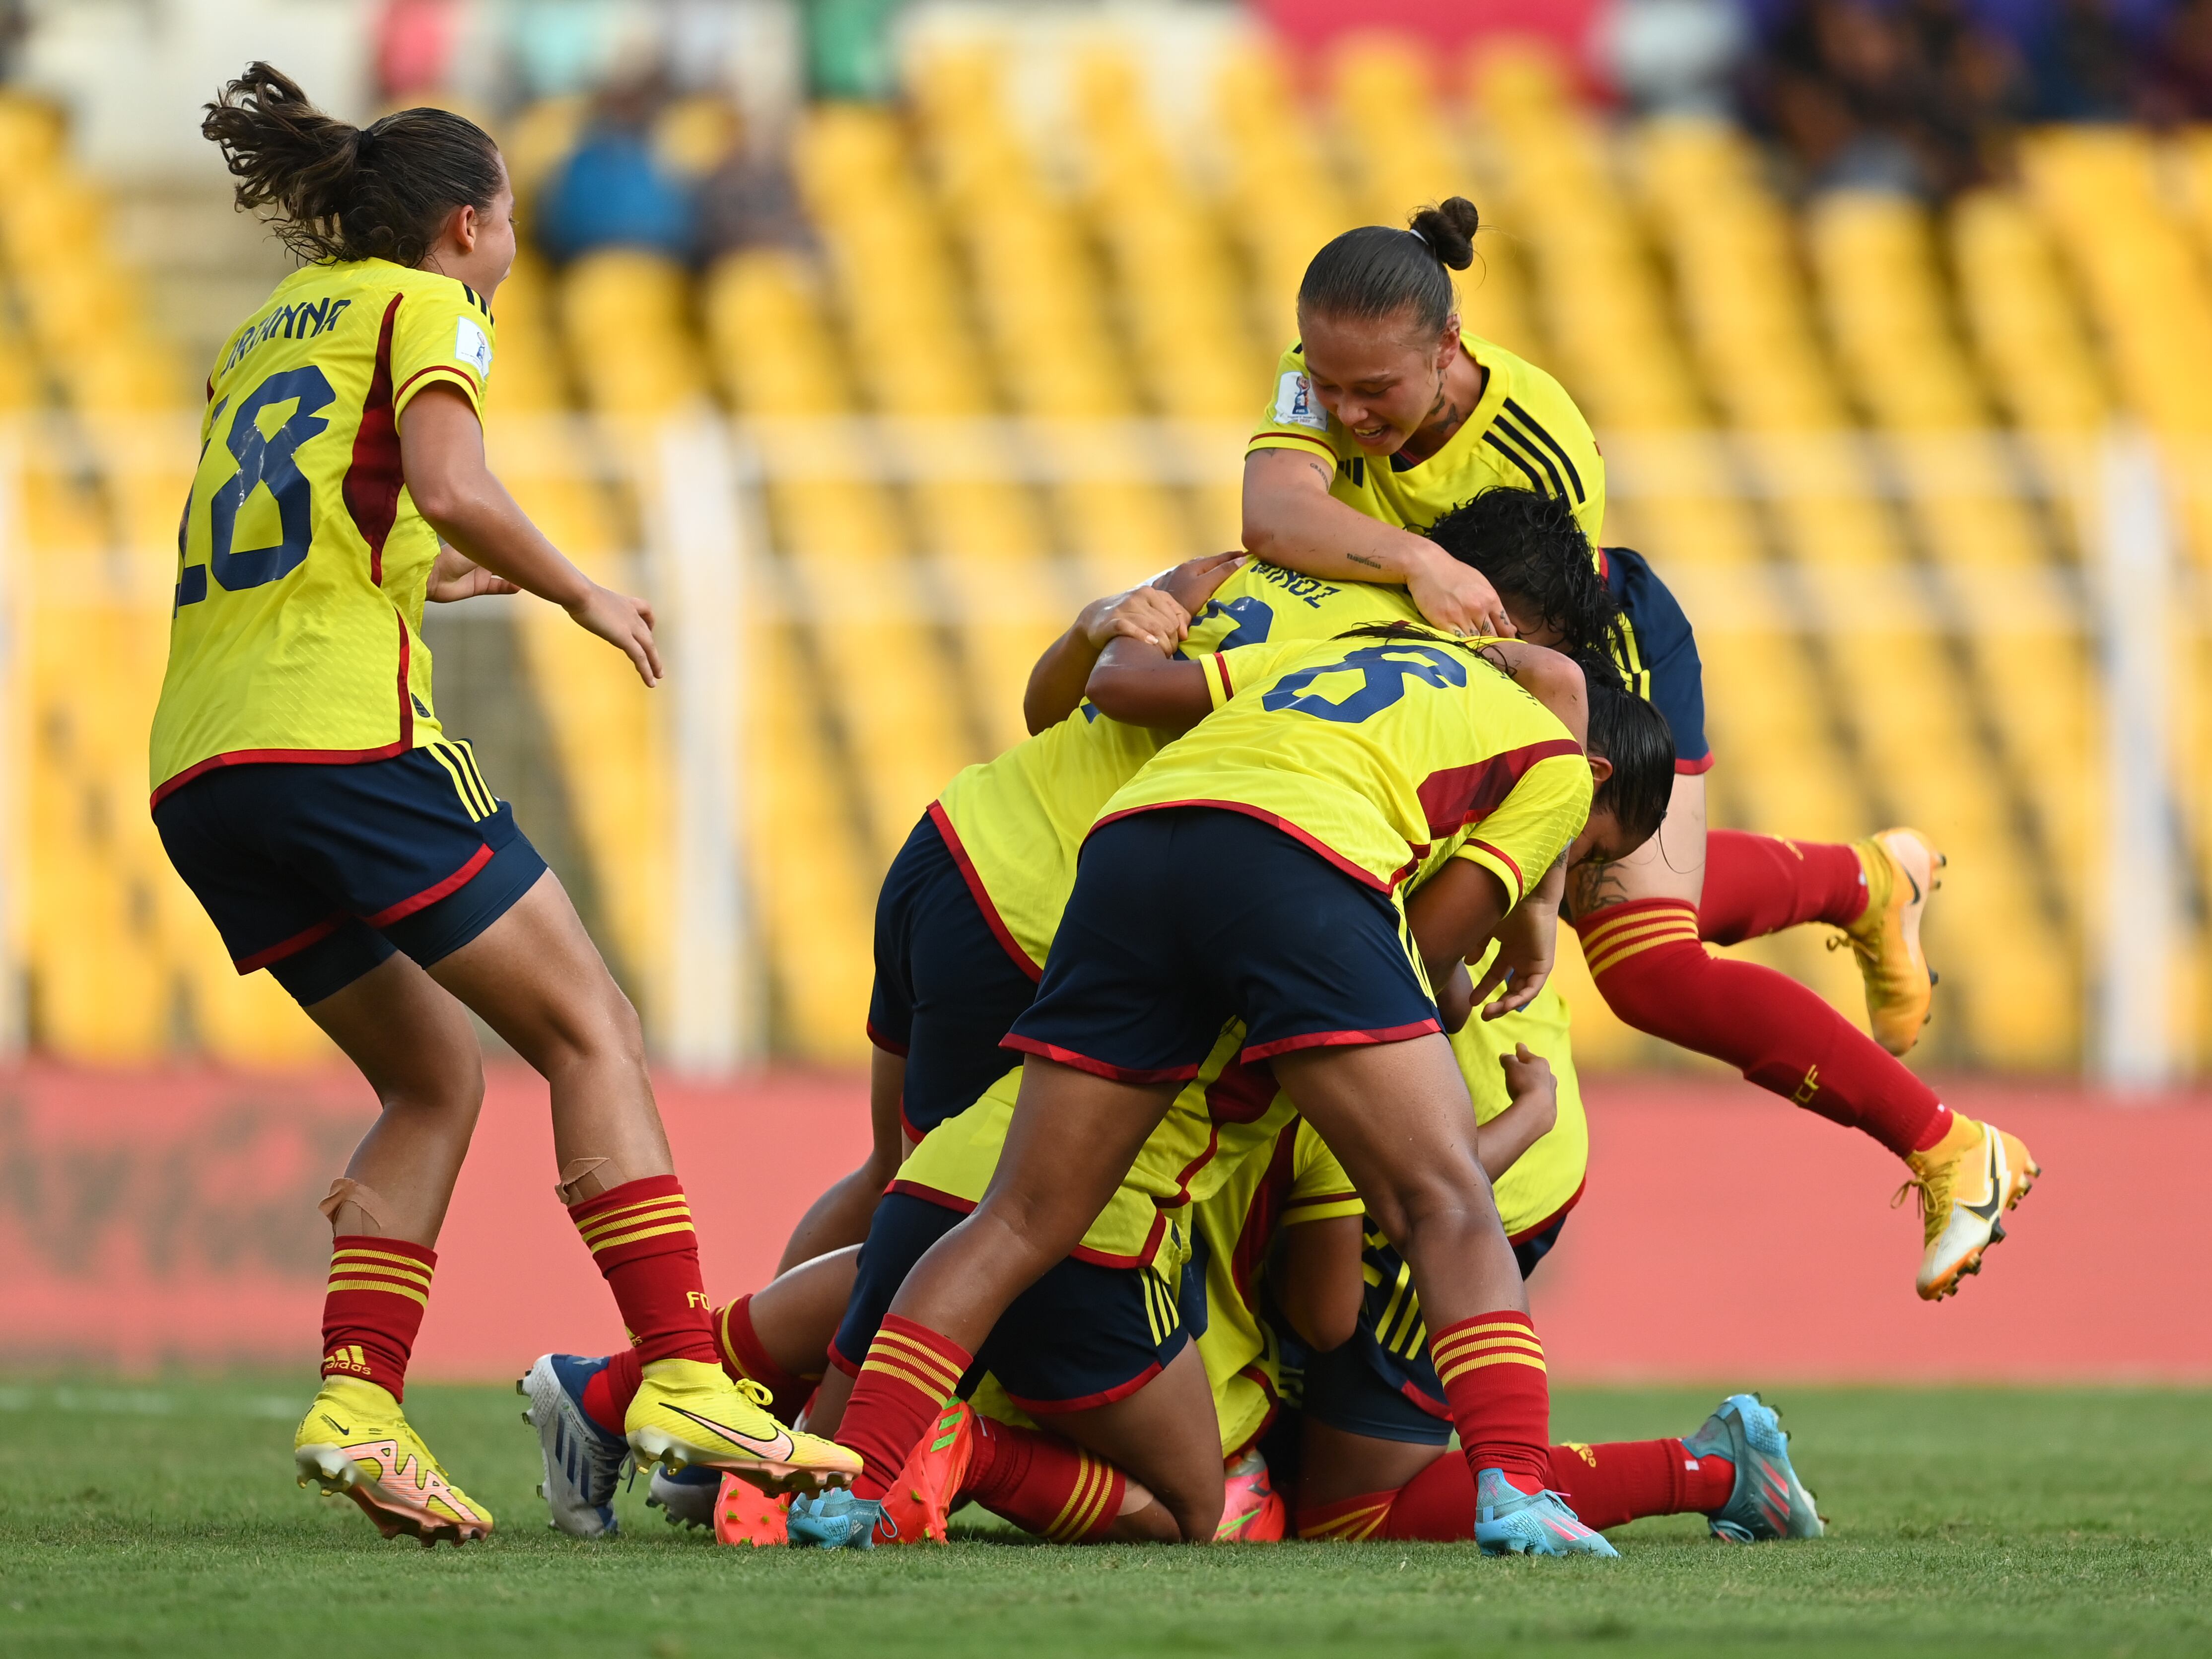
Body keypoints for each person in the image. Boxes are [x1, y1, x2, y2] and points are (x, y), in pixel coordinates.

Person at [157, 64, 856, 1547]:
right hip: (342, 742)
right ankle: (678, 1368)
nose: (515, 250)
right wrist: (582, 588)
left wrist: (440, 572)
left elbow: (327, 528)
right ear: (467, 225)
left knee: (434, 1078)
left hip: (203, 770)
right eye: (514, 222)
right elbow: (457, 482)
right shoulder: (431, 308)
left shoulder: (263, 332)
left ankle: (356, 1401)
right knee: (590, 1022)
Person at [1238, 200, 2036, 1300]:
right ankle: (1863, 880)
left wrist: (1532, 879)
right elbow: (1273, 513)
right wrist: (1415, 561)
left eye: (1372, 391)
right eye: (1326, 387)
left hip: (1592, 658)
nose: (1343, 410)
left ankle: (1948, 1144)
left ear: (1448, 346)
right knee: (1619, 905)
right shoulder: (1321, 372)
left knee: (1642, 964)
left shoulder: (1533, 438)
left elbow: (1543, 655)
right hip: (1457, 651)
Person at [787, 622, 1661, 1557]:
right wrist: (1518, 929)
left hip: (1136, 836)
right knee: (1443, 1198)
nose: (1569, 879)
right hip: (1300, 859)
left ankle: (852, 1490)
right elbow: (1433, 943)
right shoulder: (1558, 773)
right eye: (1587, 854)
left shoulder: (1354, 642)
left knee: (1017, 1216)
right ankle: (1520, 1488)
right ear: (1597, 776)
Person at [1291, 1049, 1823, 1545]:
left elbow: (1443, 981)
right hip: (1470, 1141)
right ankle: (1712, 1469)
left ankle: (1711, 1473)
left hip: (1466, 1159)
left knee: (1347, 1511)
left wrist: (1530, 1114)